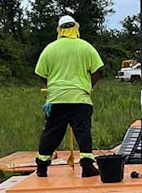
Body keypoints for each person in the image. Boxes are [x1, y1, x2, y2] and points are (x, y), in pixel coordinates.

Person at [34, 15, 104, 178]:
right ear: (76, 28)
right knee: (83, 131)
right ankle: (87, 166)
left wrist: (52, 87)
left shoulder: (50, 49)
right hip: (80, 99)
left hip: (57, 99)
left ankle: (42, 167)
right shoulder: (86, 47)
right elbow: (99, 71)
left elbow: (41, 75)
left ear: (59, 30)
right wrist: (88, 87)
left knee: (51, 132)